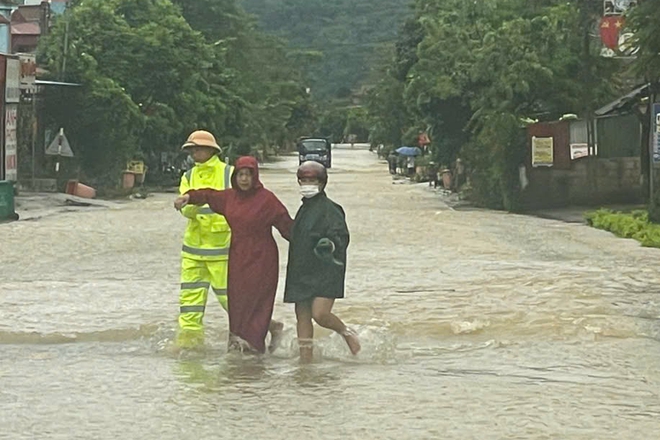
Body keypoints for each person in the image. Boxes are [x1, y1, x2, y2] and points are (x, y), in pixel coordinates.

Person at [174, 156, 293, 354]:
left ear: (255, 176)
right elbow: (208, 195)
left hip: (262, 258)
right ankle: (238, 352)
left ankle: (255, 353)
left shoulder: (267, 200)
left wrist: (312, 241)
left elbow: (288, 227)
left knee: (256, 301)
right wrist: (188, 197)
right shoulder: (229, 197)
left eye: (248, 175)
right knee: (237, 302)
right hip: (237, 256)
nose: (244, 179)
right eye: (240, 175)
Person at [283, 161, 360, 362]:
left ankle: (346, 332)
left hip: (326, 269)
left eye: (312, 180)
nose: (308, 184)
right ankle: (305, 358)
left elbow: (341, 236)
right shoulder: (303, 210)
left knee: (320, 314)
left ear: (322, 183)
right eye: (304, 180)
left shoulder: (331, 209)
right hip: (301, 269)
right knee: (302, 314)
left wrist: (330, 244)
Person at [176, 130, 233, 348]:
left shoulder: (230, 174)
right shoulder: (188, 176)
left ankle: (262, 330)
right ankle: (189, 348)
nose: (195, 152)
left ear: (211, 150)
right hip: (193, 251)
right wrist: (189, 205)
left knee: (231, 302)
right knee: (190, 304)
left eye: (198, 148)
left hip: (223, 251)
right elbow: (185, 211)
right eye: (192, 149)